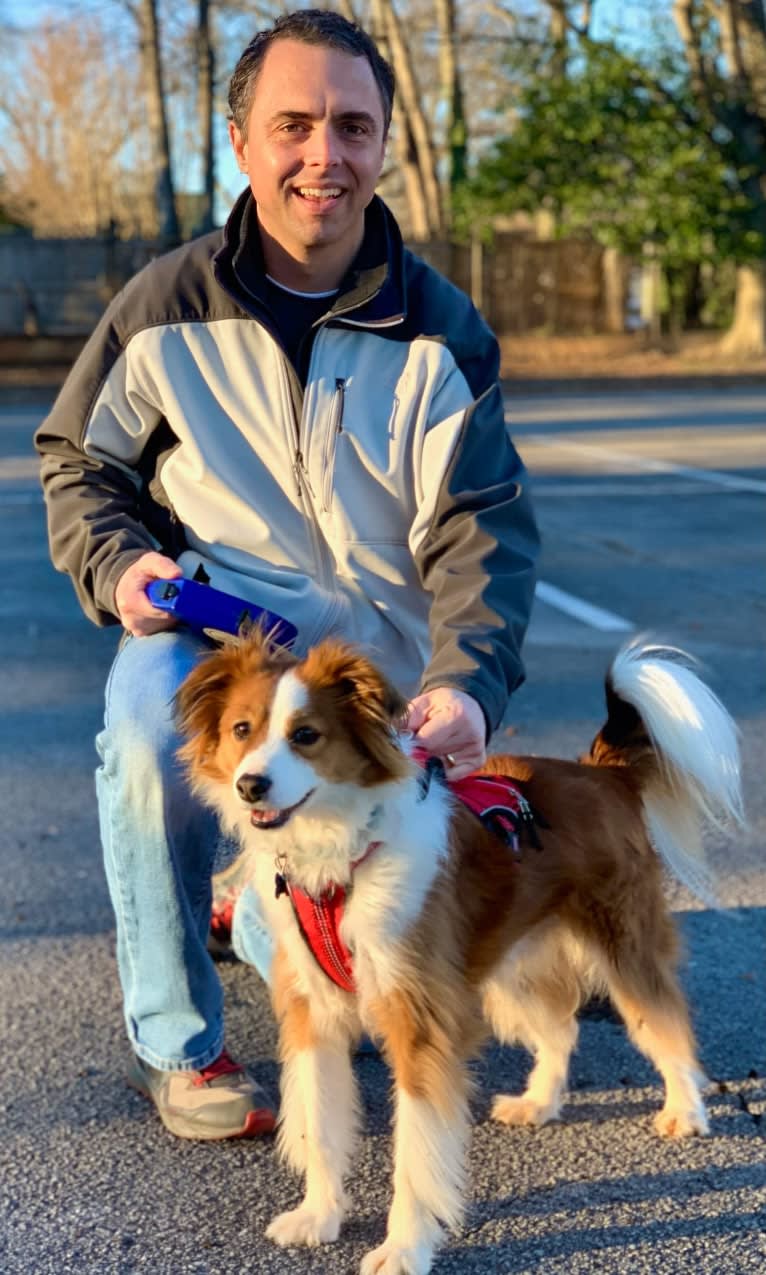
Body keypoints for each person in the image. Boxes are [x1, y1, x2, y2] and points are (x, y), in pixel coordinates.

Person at [35, 8, 539, 1141]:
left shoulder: (441, 331)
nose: (326, 155)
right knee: (140, 738)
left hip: (377, 665)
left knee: (367, 946)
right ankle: (183, 1045)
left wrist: (465, 681)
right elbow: (78, 460)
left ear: (382, 144)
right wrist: (119, 564)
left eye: (352, 127)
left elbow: (484, 529)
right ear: (242, 140)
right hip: (225, 639)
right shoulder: (161, 308)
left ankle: (255, 907)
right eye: (295, 124)